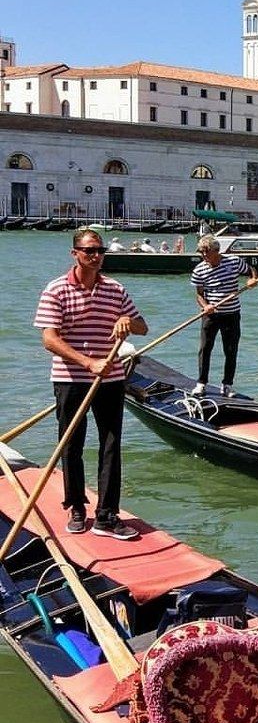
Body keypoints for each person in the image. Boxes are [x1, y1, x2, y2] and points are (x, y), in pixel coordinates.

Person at [34, 229, 149, 539]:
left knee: (111, 445)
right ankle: (76, 507)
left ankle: (107, 515)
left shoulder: (116, 289)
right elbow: (49, 339)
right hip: (70, 379)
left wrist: (127, 322)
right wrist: (88, 363)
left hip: (110, 379)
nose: (96, 256)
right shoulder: (56, 290)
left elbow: (142, 327)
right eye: (89, 251)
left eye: (100, 250)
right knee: (72, 444)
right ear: (75, 253)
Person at [190, 234, 258, 397]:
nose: (203, 255)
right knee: (205, 349)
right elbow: (199, 294)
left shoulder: (234, 262)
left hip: (231, 314)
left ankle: (227, 385)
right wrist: (205, 306)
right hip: (211, 315)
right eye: (201, 252)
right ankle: (201, 383)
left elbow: (250, 270)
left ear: (216, 251)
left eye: (206, 252)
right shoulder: (199, 270)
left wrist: (252, 280)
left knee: (230, 350)